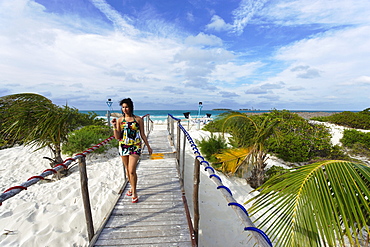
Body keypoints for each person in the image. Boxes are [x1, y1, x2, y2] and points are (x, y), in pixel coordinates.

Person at [111, 98, 152, 203]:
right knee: (127, 170)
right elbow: (117, 137)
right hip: (123, 146)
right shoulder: (120, 120)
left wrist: (148, 146)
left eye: (127, 107)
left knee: (132, 170)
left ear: (131, 107)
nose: (125, 109)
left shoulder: (138, 120)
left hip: (135, 146)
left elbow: (142, 134)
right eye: (123, 107)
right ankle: (131, 187)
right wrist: (115, 126)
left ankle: (134, 192)